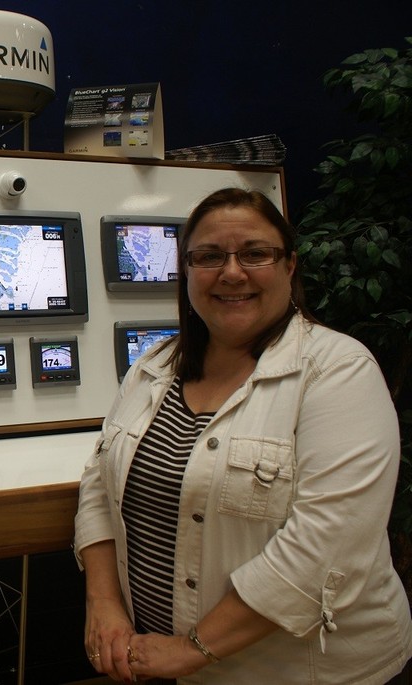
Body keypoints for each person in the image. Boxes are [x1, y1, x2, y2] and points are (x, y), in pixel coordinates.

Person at [74, 187, 412, 684]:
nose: (232, 272)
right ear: (186, 270)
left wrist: (192, 649)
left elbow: (325, 550)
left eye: (255, 253)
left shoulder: (338, 373)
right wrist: (103, 602)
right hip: (163, 662)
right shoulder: (154, 367)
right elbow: (99, 483)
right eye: (209, 256)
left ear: (289, 266)